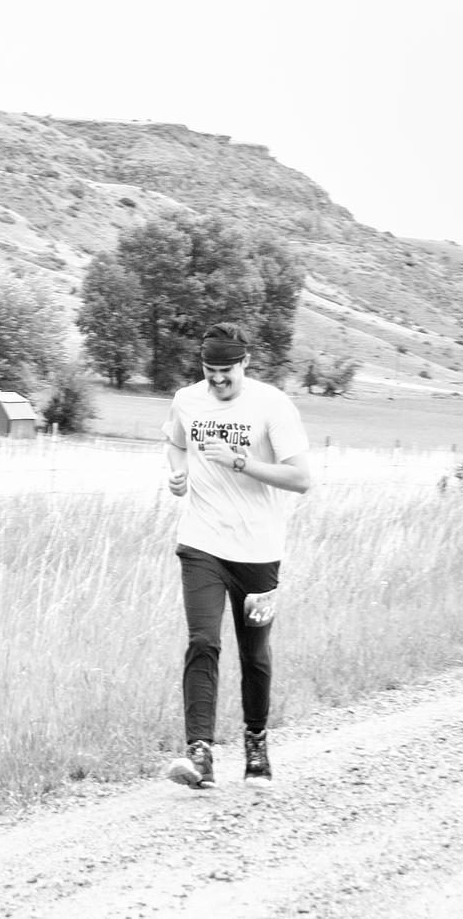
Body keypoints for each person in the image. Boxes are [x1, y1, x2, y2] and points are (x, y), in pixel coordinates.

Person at [162, 322, 311, 789]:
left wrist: (239, 460)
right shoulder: (187, 400)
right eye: (210, 369)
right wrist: (177, 474)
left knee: (255, 654)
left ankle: (256, 742)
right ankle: (199, 754)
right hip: (202, 544)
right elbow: (175, 442)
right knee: (203, 641)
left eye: (226, 369)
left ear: (245, 362)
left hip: (259, 553)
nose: (217, 379)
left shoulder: (273, 405)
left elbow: (301, 478)